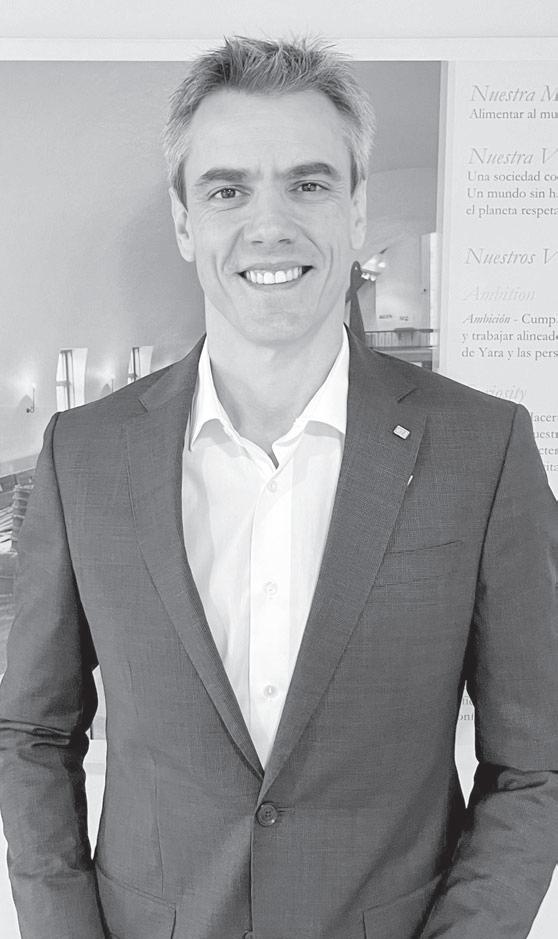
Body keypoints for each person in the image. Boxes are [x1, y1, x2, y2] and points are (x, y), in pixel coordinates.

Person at [0, 36, 557, 939]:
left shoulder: (483, 448)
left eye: (308, 183)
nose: (270, 225)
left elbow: (537, 763)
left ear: (356, 207)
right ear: (185, 221)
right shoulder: (84, 455)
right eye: (227, 190)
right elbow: (33, 733)